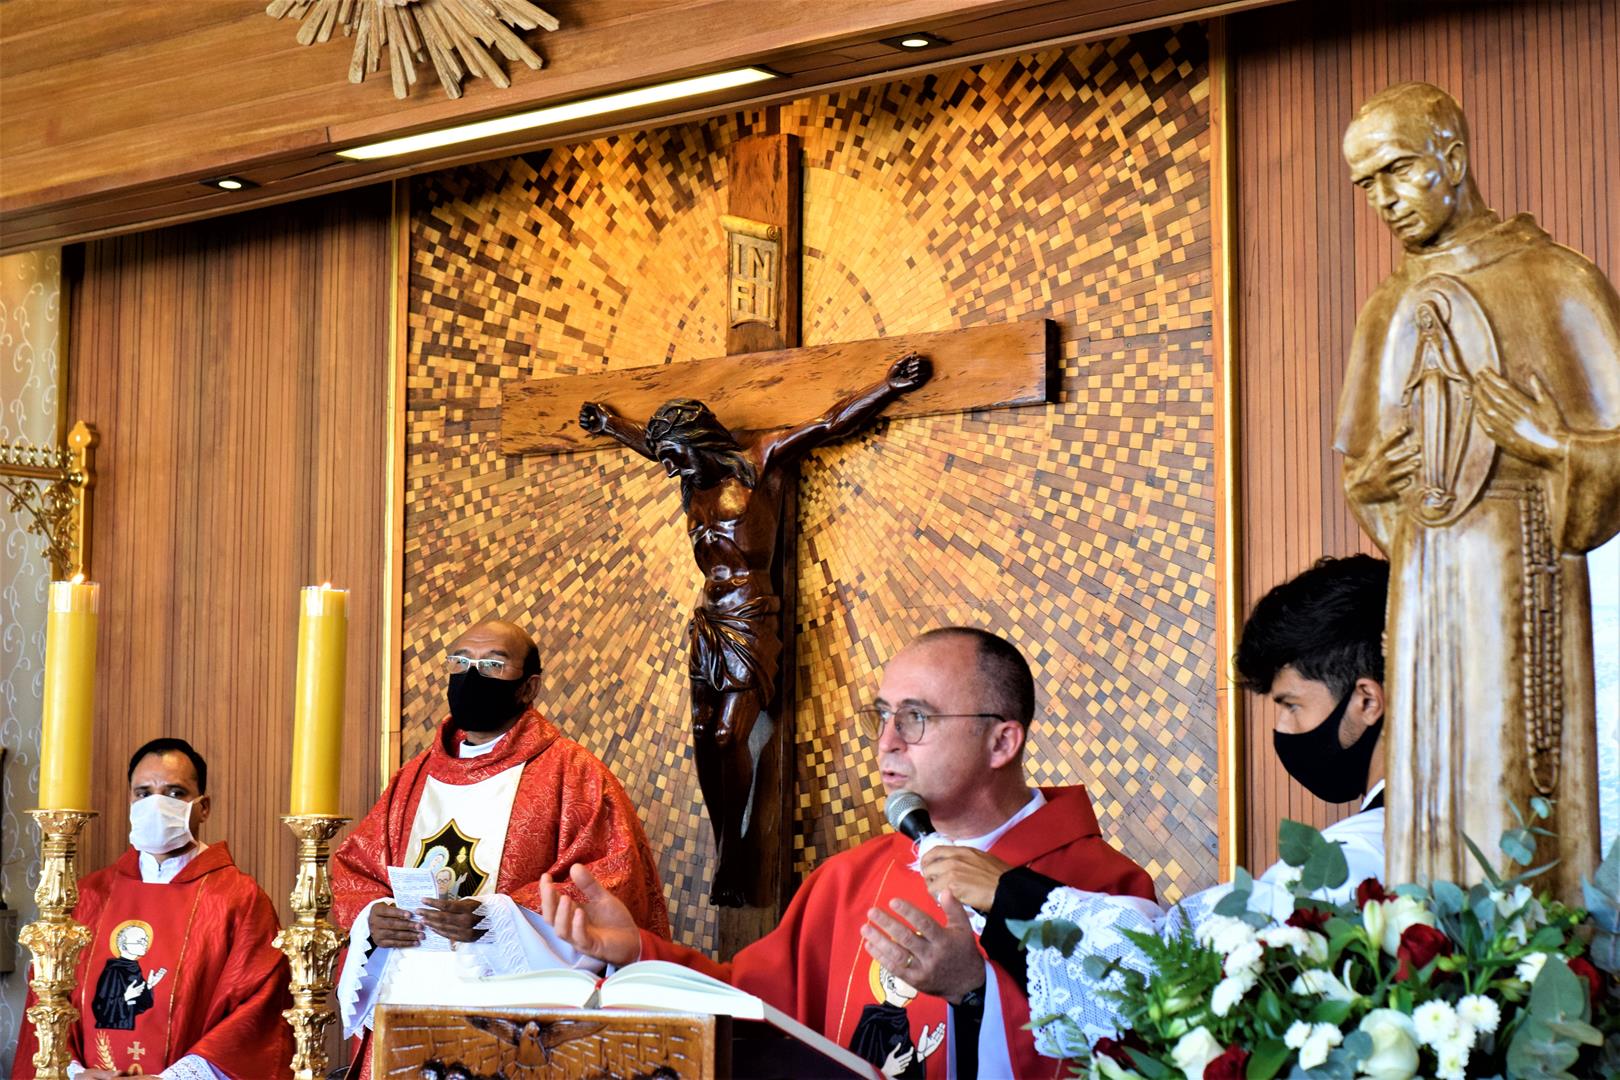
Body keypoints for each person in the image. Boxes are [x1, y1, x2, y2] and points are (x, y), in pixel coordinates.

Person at [538, 627, 1156, 1079]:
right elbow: (756, 1007)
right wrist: (638, 952)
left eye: (915, 718)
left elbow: (1131, 1056)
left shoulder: (1101, 889)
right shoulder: (849, 879)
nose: (886, 742)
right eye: (881, 716)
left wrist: (976, 991)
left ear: (1001, 742)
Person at [920, 555, 1392, 1057]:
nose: (1283, 730)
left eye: (1291, 705)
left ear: (1366, 700)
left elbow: (1181, 978)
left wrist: (1012, 896)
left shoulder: (1365, 853)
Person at [1336, 82, 1620, 901]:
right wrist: (1372, 483)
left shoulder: (1556, 278)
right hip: (1424, 598)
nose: (1384, 199)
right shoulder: (1388, 306)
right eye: (1367, 184)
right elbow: (1365, 469)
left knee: (1512, 791)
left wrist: (1548, 445)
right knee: (1432, 786)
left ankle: (1525, 965)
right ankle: (1434, 955)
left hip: (1522, 584)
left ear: (1452, 160)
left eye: (1398, 170)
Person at [579, 353, 931, 905]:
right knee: (702, 732)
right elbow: (651, 445)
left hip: (751, 617)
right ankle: (726, 844)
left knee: (727, 735)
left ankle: (734, 849)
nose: (668, 468)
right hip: (708, 621)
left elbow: (828, 424)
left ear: (698, 442)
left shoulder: (756, 460)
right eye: (664, 458)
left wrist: (886, 387)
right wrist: (610, 426)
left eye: (675, 455)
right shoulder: (688, 479)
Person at [331, 619, 670, 1079]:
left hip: (516, 1030)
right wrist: (374, 919)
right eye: (460, 661)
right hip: (406, 1013)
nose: (472, 675)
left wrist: (497, 920)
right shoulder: (413, 778)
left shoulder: (574, 774)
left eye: (493, 664)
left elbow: (613, 886)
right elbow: (357, 871)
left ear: (528, 688)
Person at [12, 738, 294, 1079]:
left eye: (175, 793)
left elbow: (259, 1009)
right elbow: (47, 997)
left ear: (203, 807)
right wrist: (73, 1072)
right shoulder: (87, 895)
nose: (156, 805)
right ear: (130, 802)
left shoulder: (238, 899)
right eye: (143, 793)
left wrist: (175, 1078)